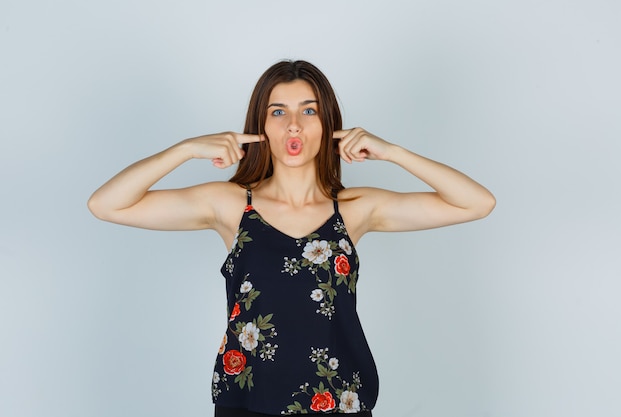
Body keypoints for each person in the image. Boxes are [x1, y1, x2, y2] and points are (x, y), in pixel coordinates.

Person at [88, 60, 496, 417]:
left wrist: (393, 153)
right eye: (278, 111)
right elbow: (107, 205)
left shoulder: (354, 209)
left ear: (328, 124)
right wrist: (185, 149)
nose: (294, 124)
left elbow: (476, 203)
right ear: (261, 125)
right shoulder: (231, 205)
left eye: (309, 110)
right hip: (245, 402)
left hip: (341, 400)